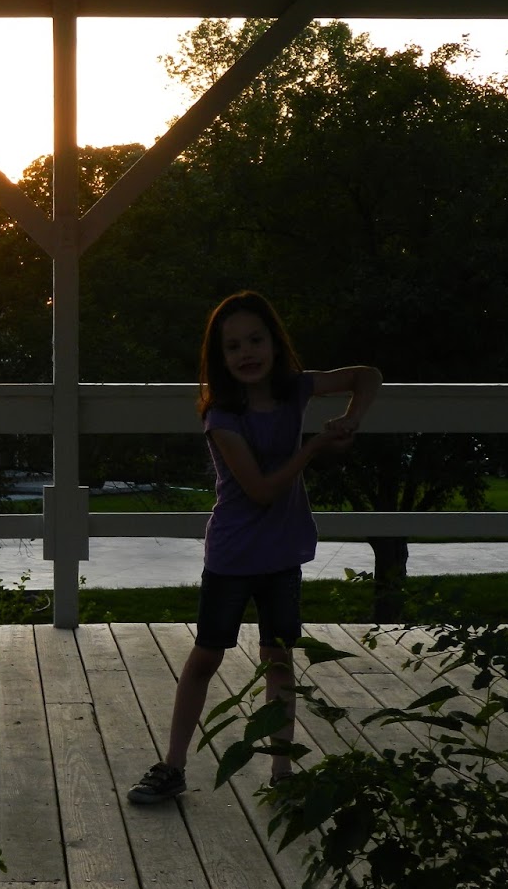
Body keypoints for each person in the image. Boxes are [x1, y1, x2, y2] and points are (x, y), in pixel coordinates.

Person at [128, 291, 381, 804]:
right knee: (206, 656)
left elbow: (367, 375)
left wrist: (352, 418)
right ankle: (173, 765)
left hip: (283, 551)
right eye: (233, 346)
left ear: (274, 343)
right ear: (219, 358)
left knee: (279, 658)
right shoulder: (222, 417)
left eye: (255, 340)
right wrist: (314, 446)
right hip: (234, 554)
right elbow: (262, 490)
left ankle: (282, 772)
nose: (246, 353)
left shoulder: (296, 389)